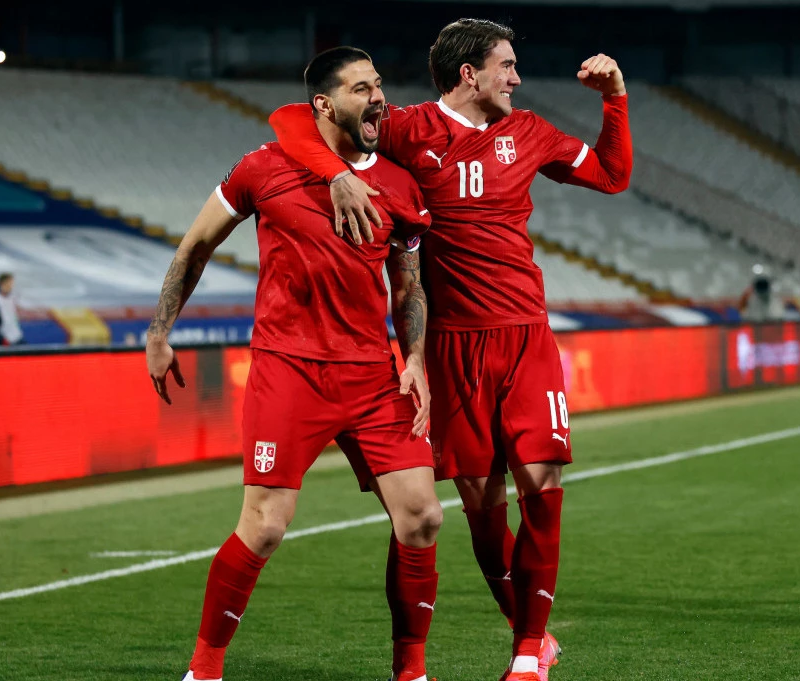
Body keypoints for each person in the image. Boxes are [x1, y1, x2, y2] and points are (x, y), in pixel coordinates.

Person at [269, 19, 633, 681]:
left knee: (542, 484)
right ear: (470, 74)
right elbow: (292, 119)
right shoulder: (409, 129)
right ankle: (529, 634)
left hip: (525, 337)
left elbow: (612, 174)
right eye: (507, 66)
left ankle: (527, 652)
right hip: (451, 348)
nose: (516, 78)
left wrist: (614, 100)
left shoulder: (530, 132)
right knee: (482, 511)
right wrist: (335, 175)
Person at [146, 47, 442, 681]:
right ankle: (204, 670)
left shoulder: (399, 184)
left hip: (372, 375)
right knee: (265, 526)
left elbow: (409, 286)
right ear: (324, 104)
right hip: (289, 370)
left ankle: (411, 671)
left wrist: (415, 356)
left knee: (422, 516)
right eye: (361, 88)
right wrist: (159, 331)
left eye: (378, 84)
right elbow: (196, 245)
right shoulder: (263, 167)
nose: (378, 97)